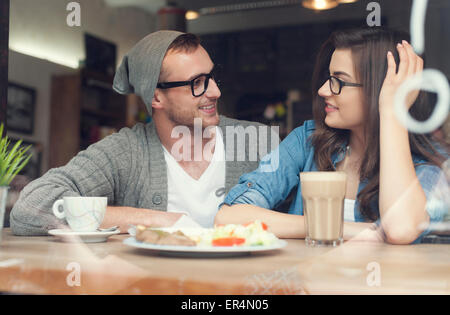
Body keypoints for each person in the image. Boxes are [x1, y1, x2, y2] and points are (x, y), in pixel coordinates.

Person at [10, 31, 277, 235]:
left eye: (211, 77)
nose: (215, 91)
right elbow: (30, 208)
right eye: (197, 83)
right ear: (156, 97)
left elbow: (311, 220)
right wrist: (159, 221)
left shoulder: (258, 143)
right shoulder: (126, 152)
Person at [215, 27, 449, 245]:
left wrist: (391, 110)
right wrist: (333, 228)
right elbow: (228, 218)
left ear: (378, 88)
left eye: (339, 81)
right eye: (328, 78)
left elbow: (400, 229)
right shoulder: (307, 141)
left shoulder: (428, 166)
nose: (323, 90)